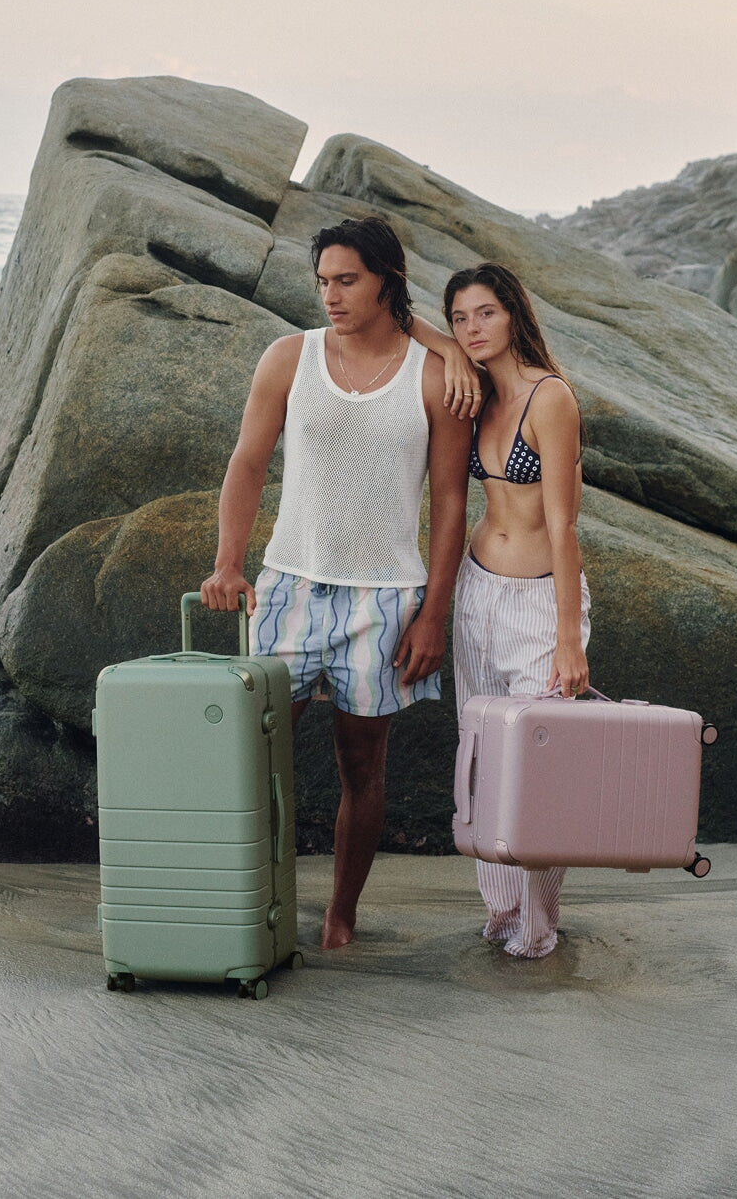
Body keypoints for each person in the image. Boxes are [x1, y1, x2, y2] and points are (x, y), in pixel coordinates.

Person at [200, 216, 474, 950]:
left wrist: (434, 615)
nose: (331, 295)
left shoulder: (435, 375)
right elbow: (247, 463)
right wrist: (228, 561)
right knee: (250, 759)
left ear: (387, 279)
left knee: (362, 766)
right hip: (287, 588)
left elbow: (451, 503)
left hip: (383, 601)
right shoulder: (288, 359)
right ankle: (248, 901)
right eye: (323, 281)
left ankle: (340, 915)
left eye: (347, 280)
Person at [444, 262, 590, 959]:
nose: (472, 328)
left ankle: (538, 925)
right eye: (459, 318)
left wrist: (568, 637)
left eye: (486, 313)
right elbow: (413, 331)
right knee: (481, 757)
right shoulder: (476, 394)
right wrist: (443, 345)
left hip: (537, 600)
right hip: (477, 592)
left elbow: (564, 525)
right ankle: (502, 911)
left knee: (539, 768)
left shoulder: (549, 397)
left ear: (513, 315)